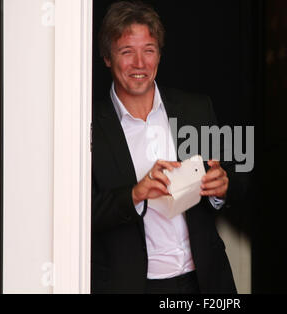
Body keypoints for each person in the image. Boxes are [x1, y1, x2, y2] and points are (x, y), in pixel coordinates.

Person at [91, 1, 237, 294]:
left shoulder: (196, 109)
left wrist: (222, 188)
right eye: (126, 52)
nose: (140, 63)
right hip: (133, 285)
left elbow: (235, 180)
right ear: (107, 57)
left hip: (205, 281)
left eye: (148, 50)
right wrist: (136, 194)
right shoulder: (88, 125)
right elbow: (79, 215)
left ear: (159, 54)